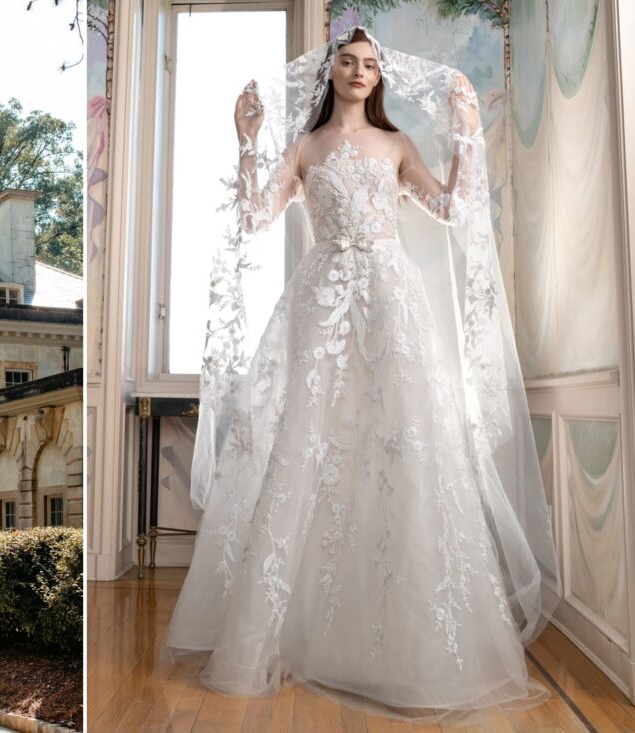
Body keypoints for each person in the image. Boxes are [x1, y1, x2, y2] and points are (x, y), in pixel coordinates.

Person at [161, 25, 559, 726]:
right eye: (347, 61)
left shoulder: (398, 145)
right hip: (318, 307)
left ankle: (406, 642)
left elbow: (448, 208)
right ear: (330, 72)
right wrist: (246, 140)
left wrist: (467, 133)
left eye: (370, 64)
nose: (359, 71)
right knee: (306, 450)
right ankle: (285, 626)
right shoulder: (305, 148)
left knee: (399, 448)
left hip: (389, 304)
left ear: (381, 78)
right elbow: (255, 217)